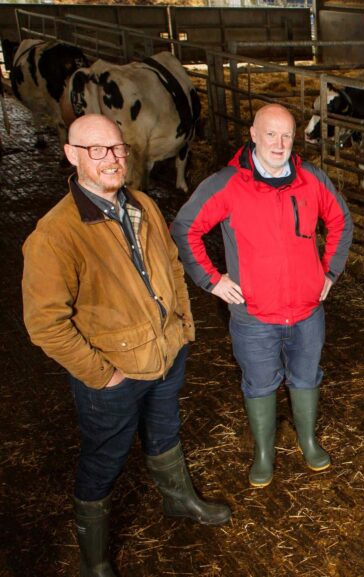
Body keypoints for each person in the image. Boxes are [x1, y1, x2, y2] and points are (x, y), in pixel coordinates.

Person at [22, 114, 231, 577]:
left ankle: (179, 501)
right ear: (72, 155)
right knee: (105, 458)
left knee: (165, 432)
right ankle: (93, 561)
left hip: (165, 356)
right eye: (97, 150)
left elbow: (173, 266)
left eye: (118, 148)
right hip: (113, 374)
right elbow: (44, 324)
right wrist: (103, 375)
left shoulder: (142, 205)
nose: (113, 159)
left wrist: (183, 328)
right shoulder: (54, 236)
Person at [172, 104, 352, 488]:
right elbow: (185, 227)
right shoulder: (227, 184)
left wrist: (330, 271)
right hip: (254, 315)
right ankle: (264, 452)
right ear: (253, 135)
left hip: (306, 311)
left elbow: (340, 221)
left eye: (287, 135)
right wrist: (212, 279)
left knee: (306, 376)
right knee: (259, 383)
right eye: (270, 134)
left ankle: (307, 440)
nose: (279, 143)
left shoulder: (312, 179)